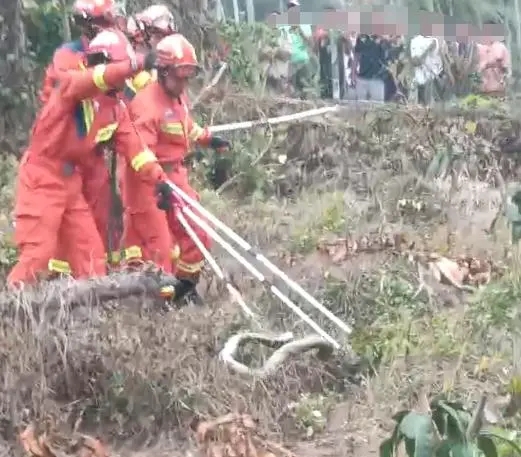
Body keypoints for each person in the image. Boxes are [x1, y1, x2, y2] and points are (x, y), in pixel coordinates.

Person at [7, 30, 158, 287]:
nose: (125, 82)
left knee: (91, 257)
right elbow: (93, 80)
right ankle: (11, 313)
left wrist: (159, 180)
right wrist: (135, 64)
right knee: (36, 255)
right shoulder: (71, 87)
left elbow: (136, 149)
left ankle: (89, 320)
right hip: (42, 178)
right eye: (120, 72)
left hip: (70, 181)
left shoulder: (114, 108)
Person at [120, 33, 231, 304]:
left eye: (186, 78)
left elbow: (184, 127)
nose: (183, 84)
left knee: (199, 234)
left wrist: (207, 138)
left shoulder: (177, 97)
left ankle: (182, 290)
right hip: (147, 183)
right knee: (159, 248)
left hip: (174, 176)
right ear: (162, 71)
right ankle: (157, 305)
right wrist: (158, 183)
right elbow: (140, 153)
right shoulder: (146, 105)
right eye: (178, 77)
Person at [39, 0, 117, 105]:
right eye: (101, 22)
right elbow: (58, 93)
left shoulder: (119, 49)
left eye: (108, 22)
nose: (107, 28)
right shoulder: (68, 55)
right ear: (85, 24)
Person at [280, 0, 313, 98]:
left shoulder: (304, 23)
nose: (292, 9)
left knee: (306, 91)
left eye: (294, 7)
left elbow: (311, 43)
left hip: (303, 62)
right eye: (290, 7)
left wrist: (299, 29)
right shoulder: (283, 25)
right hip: (289, 64)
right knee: (290, 93)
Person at [351, 34, 387, 102]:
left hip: (378, 79)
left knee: (377, 106)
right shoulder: (362, 38)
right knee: (361, 106)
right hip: (362, 78)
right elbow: (356, 57)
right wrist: (353, 75)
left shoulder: (383, 40)